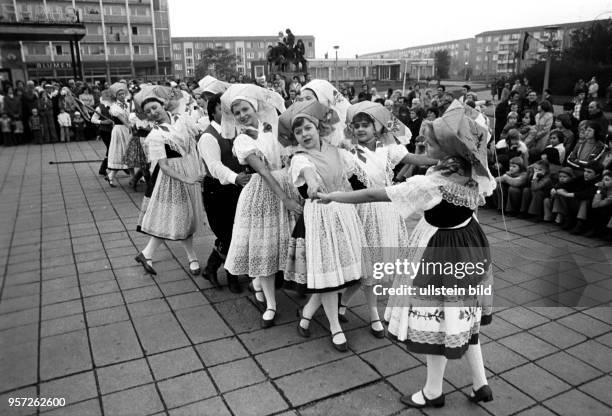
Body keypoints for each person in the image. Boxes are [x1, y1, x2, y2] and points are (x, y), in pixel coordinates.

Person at [319, 100, 495, 408]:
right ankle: (481, 383)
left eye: (433, 141)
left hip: (441, 251)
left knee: (436, 323)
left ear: (449, 149)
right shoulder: (473, 170)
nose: (425, 143)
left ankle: (433, 391)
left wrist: (334, 196)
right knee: (463, 318)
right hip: (471, 244)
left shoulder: (432, 183)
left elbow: (376, 194)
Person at [338, 101, 437, 338]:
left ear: (377, 128)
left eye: (366, 125)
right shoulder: (348, 153)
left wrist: (443, 159)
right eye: (357, 126)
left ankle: (343, 301)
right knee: (368, 265)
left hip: (386, 212)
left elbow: (416, 160)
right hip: (363, 212)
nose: (361, 129)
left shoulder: (388, 150)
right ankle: (373, 313)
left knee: (376, 265)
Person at [279, 100, 365, 351]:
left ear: (318, 128)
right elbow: (308, 176)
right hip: (319, 216)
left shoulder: (337, 151)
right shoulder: (299, 158)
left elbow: (356, 177)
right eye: (298, 131)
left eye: (308, 128)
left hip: (343, 213)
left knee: (341, 272)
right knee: (328, 273)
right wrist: (313, 184)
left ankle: (307, 312)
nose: (304, 134)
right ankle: (335, 327)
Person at [221, 84, 301, 328]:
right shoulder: (243, 139)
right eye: (238, 113)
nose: (243, 115)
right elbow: (264, 171)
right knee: (264, 248)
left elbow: (293, 155)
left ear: (255, 108)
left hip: (287, 183)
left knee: (287, 243)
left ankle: (281, 283)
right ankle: (270, 304)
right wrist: (284, 198)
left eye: (245, 109)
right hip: (263, 193)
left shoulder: (275, 128)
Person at [134, 85, 206, 276]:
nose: (153, 113)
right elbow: (164, 167)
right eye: (148, 112)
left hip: (190, 168)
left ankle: (147, 253)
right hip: (173, 179)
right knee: (183, 218)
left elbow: (197, 133)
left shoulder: (182, 119)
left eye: (155, 108)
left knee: (181, 218)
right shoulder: (155, 135)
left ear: (163, 105)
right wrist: (187, 179)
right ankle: (192, 258)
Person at [198, 93, 251, 293]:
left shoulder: (238, 132)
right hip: (217, 189)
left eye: (230, 110)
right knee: (227, 233)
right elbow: (214, 166)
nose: (229, 113)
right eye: (223, 109)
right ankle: (232, 276)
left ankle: (212, 268)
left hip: (238, 187)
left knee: (237, 231)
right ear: (213, 112)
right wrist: (235, 177)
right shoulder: (208, 136)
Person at [106, 82, 132, 187]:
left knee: (127, 152)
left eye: (123, 94)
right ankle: (112, 176)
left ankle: (111, 176)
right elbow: (123, 120)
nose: (122, 96)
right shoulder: (114, 107)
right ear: (115, 96)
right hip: (120, 130)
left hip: (127, 130)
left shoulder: (128, 104)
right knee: (121, 152)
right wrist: (130, 125)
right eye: (119, 94)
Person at [91, 89, 114, 179]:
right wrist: (103, 122)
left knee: (113, 149)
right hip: (105, 131)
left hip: (114, 130)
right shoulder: (99, 108)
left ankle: (110, 168)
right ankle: (103, 168)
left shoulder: (114, 105)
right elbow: (93, 119)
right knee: (110, 149)